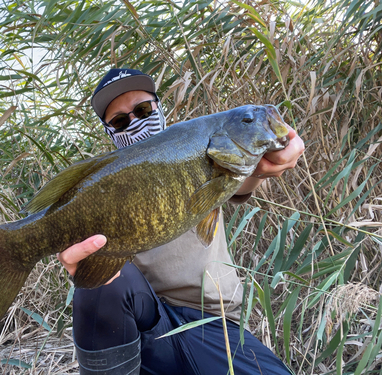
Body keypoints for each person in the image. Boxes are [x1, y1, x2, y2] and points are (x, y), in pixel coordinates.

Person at [57, 69, 305, 374]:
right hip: (146, 322)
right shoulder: (102, 185)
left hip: (213, 323)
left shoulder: (197, 148)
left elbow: (239, 179)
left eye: (143, 110)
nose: (134, 122)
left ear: (159, 110)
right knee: (100, 283)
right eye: (121, 121)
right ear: (111, 133)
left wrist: (268, 159)